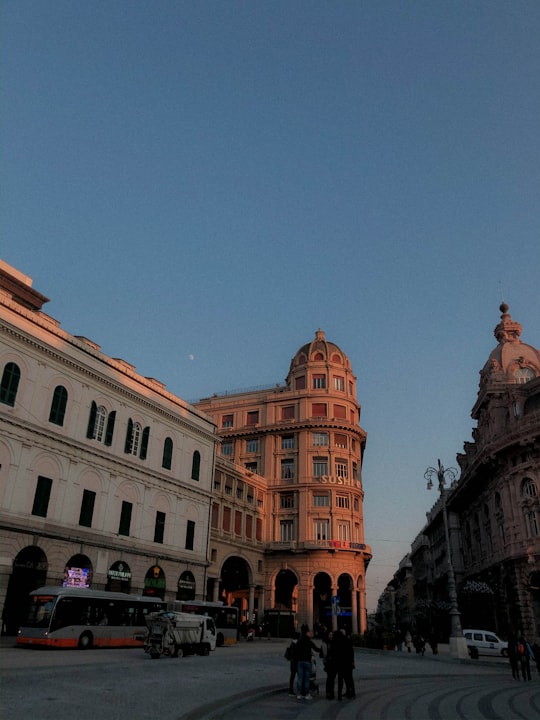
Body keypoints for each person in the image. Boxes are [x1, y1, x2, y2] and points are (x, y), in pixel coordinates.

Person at [293, 627, 321, 700]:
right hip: (307, 661)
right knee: (306, 679)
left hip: (300, 661)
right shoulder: (309, 641)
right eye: (309, 632)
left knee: (300, 678)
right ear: (306, 633)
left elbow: (295, 651)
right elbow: (316, 649)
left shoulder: (299, 641)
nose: (310, 633)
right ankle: (306, 694)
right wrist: (323, 649)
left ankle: (299, 694)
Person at [335, 628, 356, 700]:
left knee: (341, 679)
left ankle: (340, 694)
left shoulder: (337, 641)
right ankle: (351, 692)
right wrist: (352, 661)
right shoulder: (348, 640)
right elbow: (351, 652)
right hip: (348, 663)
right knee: (349, 679)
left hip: (341, 664)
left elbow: (336, 653)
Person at [321, 630, 337, 699]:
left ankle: (331, 692)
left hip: (333, 663)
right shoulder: (325, 643)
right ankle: (328, 692)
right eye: (330, 634)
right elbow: (325, 654)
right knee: (330, 678)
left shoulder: (333, 642)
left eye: (332, 634)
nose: (331, 636)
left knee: (332, 678)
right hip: (328, 663)